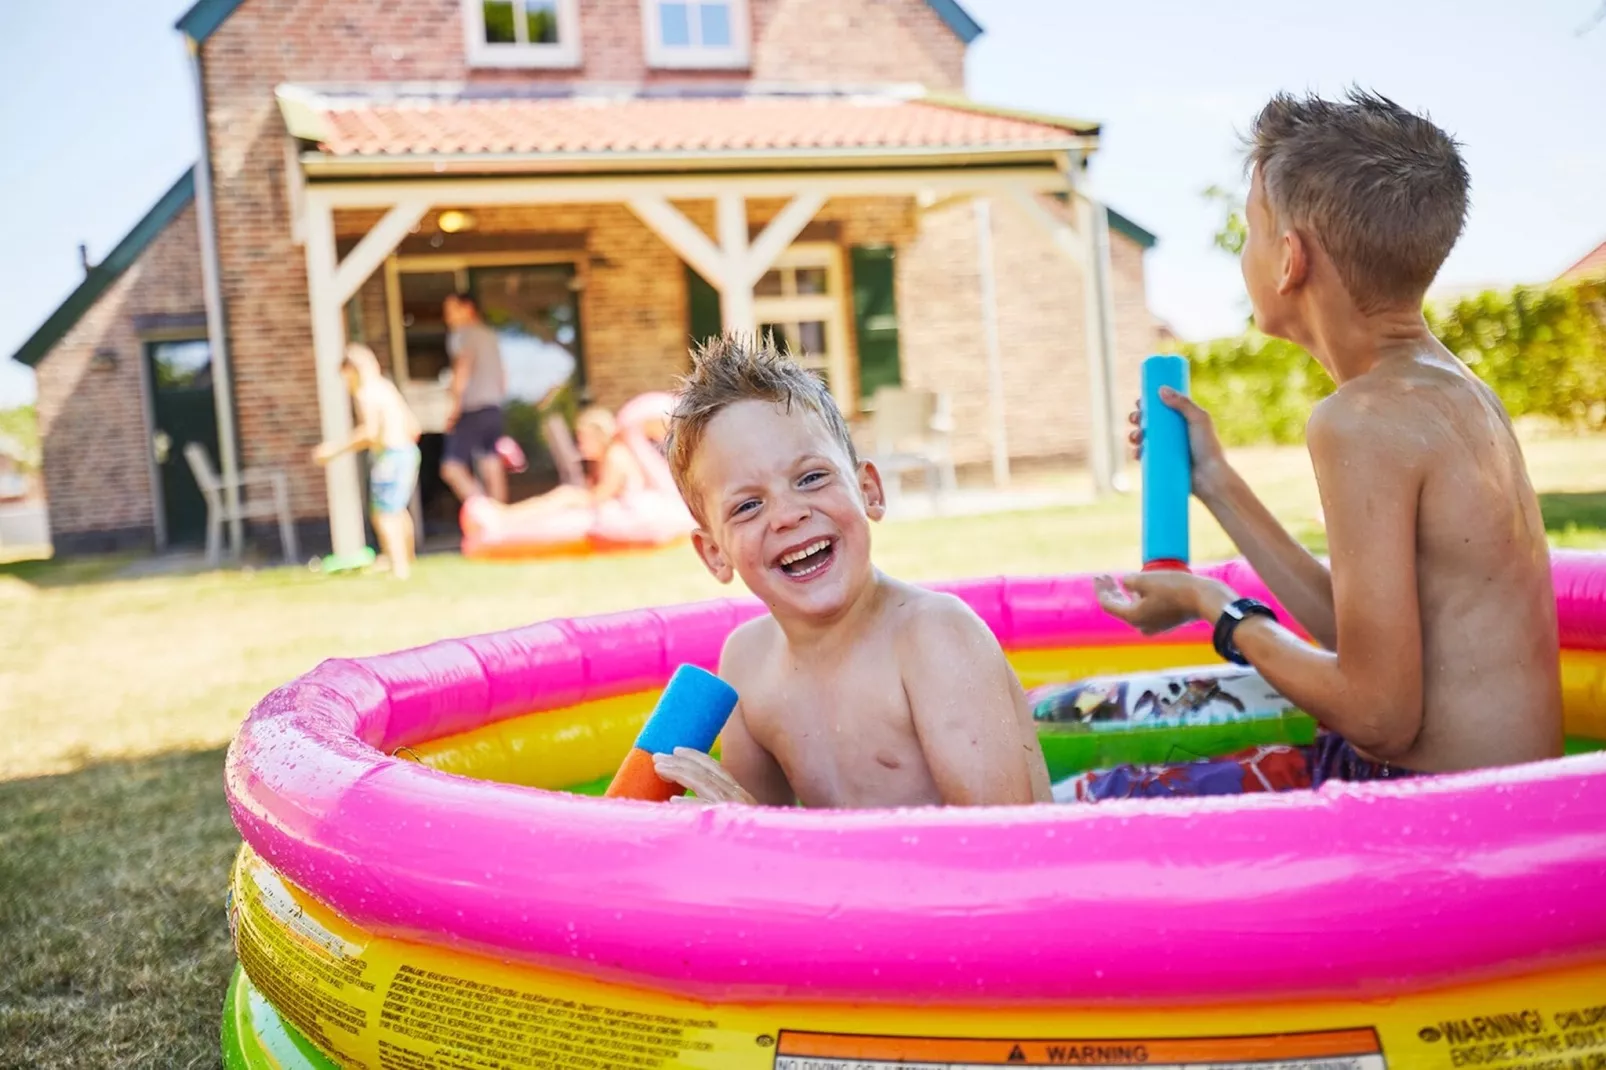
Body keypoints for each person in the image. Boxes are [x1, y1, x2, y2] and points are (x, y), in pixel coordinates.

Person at [1089, 89, 1562, 796]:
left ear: (1289, 260)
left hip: (1431, 816)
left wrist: (1212, 607)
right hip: (1510, 801)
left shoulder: (1359, 420)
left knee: (1099, 794)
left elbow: (1379, 716)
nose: (1243, 252)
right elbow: (1360, 634)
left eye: (1248, 229)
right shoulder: (1452, 391)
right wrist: (1213, 477)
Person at [649, 335, 1052, 808]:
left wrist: (762, 830)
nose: (787, 515)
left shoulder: (933, 637)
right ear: (715, 553)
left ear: (869, 492)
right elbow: (759, 853)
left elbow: (1000, 847)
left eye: (811, 478)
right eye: (748, 505)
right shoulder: (746, 665)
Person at [312, 344, 422, 580]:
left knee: (383, 513)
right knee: (398, 509)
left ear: (353, 371)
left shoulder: (365, 393)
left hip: (390, 456)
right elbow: (414, 426)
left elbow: (370, 432)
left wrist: (334, 450)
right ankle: (407, 558)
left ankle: (399, 567)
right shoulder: (386, 387)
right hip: (408, 452)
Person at [440, 292, 510, 502]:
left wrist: (453, 410)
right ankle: (501, 520)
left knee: (451, 467)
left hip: (473, 408)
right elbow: (503, 378)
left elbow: (462, 371)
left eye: (451, 311)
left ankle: (483, 512)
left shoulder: (463, 335)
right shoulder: (490, 335)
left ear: (468, 308)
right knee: (491, 462)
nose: (447, 317)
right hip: (494, 408)